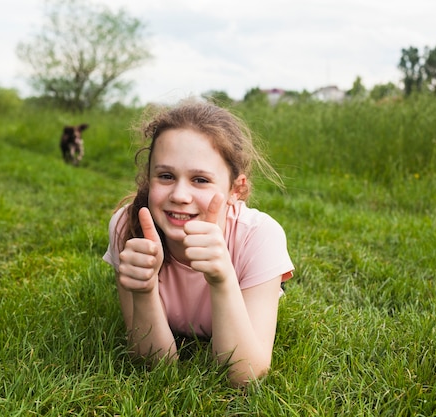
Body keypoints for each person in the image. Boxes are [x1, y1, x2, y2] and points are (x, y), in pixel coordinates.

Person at [103, 98, 294, 386]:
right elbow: (154, 365)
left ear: (236, 189)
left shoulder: (260, 236)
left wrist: (223, 279)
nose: (180, 194)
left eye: (200, 180)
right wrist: (143, 290)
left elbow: (245, 375)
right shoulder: (127, 227)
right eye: (166, 176)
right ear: (148, 178)